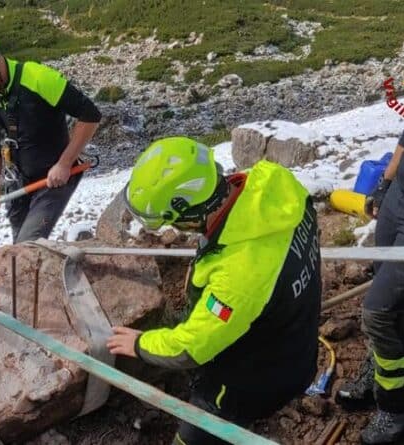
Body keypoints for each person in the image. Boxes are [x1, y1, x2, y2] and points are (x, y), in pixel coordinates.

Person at [106, 137, 321, 445]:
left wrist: (140, 344)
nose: (175, 229)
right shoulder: (273, 184)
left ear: (187, 211)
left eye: (172, 221)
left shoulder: (238, 275)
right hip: (296, 344)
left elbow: (190, 349)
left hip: (254, 378)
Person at [336, 105, 404, 444]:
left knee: (378, 311)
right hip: (399, 198)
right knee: (390, 303)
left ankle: (396, 405)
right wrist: (386, 183)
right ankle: (381, 371)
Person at [0, 28, 101, 243]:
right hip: (18, 184)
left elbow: (90, 115)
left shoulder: (37, 77)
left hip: (54, 179)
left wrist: (65, 163)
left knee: (27, 246)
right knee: (19, 249)